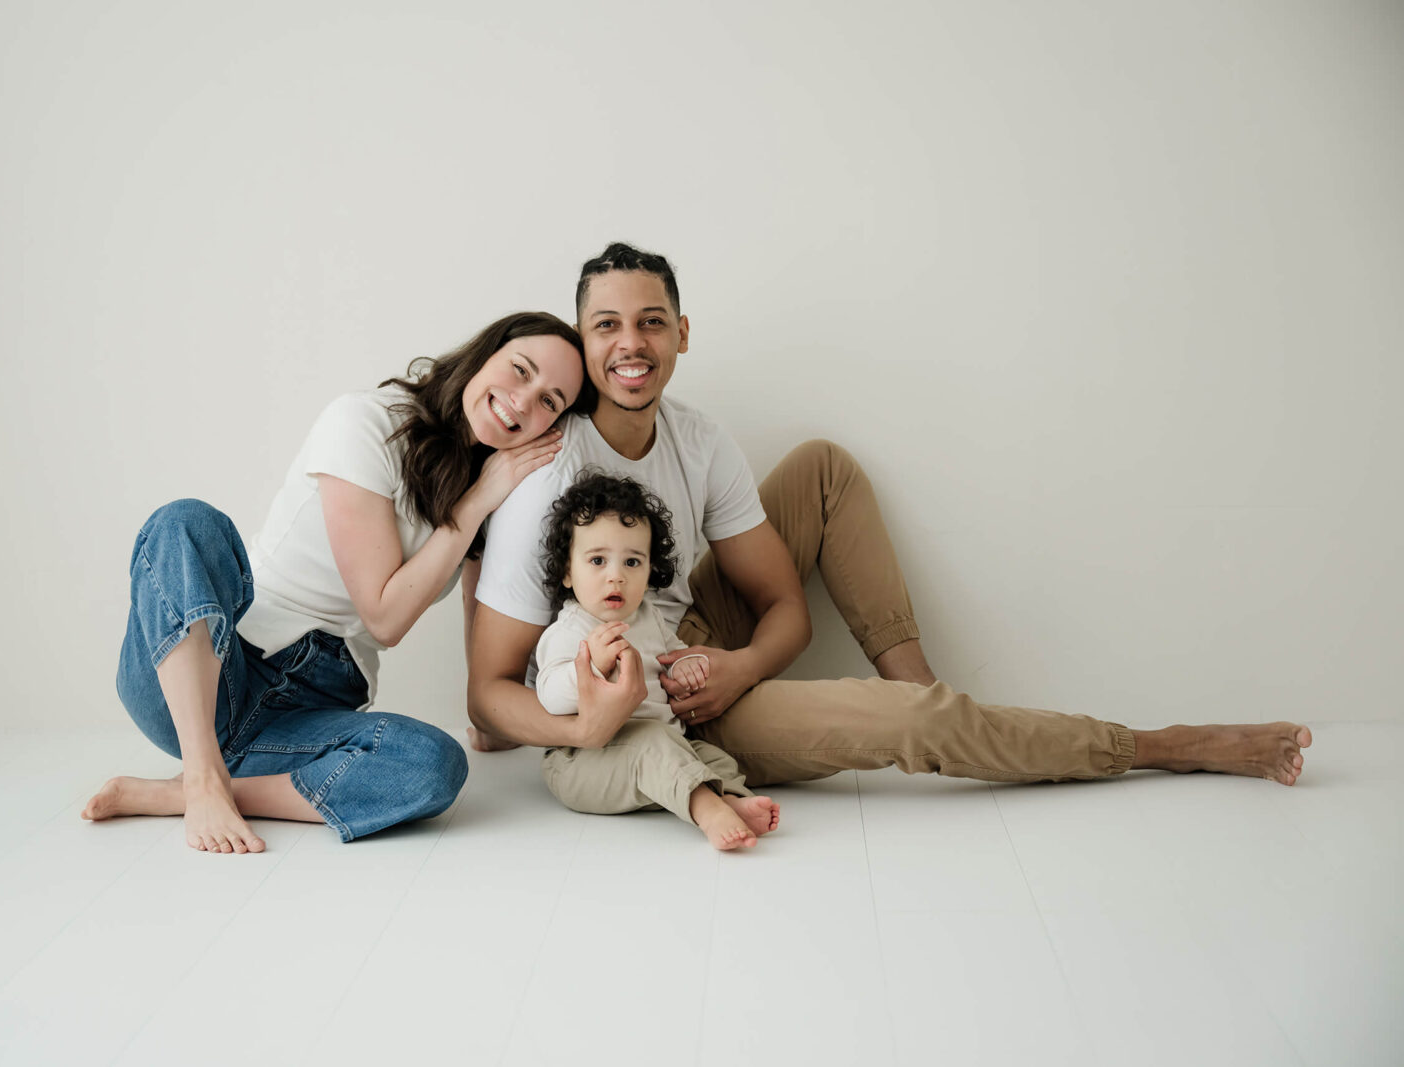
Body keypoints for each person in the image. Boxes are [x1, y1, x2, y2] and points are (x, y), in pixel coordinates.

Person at [465, 242, 1313, 793]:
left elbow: (783, 608)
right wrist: (595, 721)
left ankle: (926, 688)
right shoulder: (551, 475)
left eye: (651, 321)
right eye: (606, 325)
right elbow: (488, 688)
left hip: (692, 641)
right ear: (581, 344)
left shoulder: (698, 438)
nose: (631, 344)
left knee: (821, 467)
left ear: (682, 334)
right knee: (916, 727)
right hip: (644, 698)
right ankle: (1161, 744)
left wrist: (741, 663)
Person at [83, 311, 593, 853]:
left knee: (434, 765)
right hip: (210, 666)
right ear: (483, 354)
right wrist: (479, 501)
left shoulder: (489, 492)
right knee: (186, 522)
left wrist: (488, 719)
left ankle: (188, 793)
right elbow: (384, 616)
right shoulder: (365, 423)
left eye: (549, 401)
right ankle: (203, 775)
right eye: (520, 370)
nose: (524, 400)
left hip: (311, 710)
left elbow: (478, 610)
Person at [532, 471, 781, 850]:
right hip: (584, 763)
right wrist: (592, 666)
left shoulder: (648, 617)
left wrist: (685, 668)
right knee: (653, 745)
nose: (615, 577)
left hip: (659, 747)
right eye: (597, 560)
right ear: (568, 571)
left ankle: (728, 797)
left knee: (714, 758)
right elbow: (549, 696)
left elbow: (672, 657)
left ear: (650, 571)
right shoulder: (571, 630)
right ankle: (706, 810)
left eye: (632, 563)